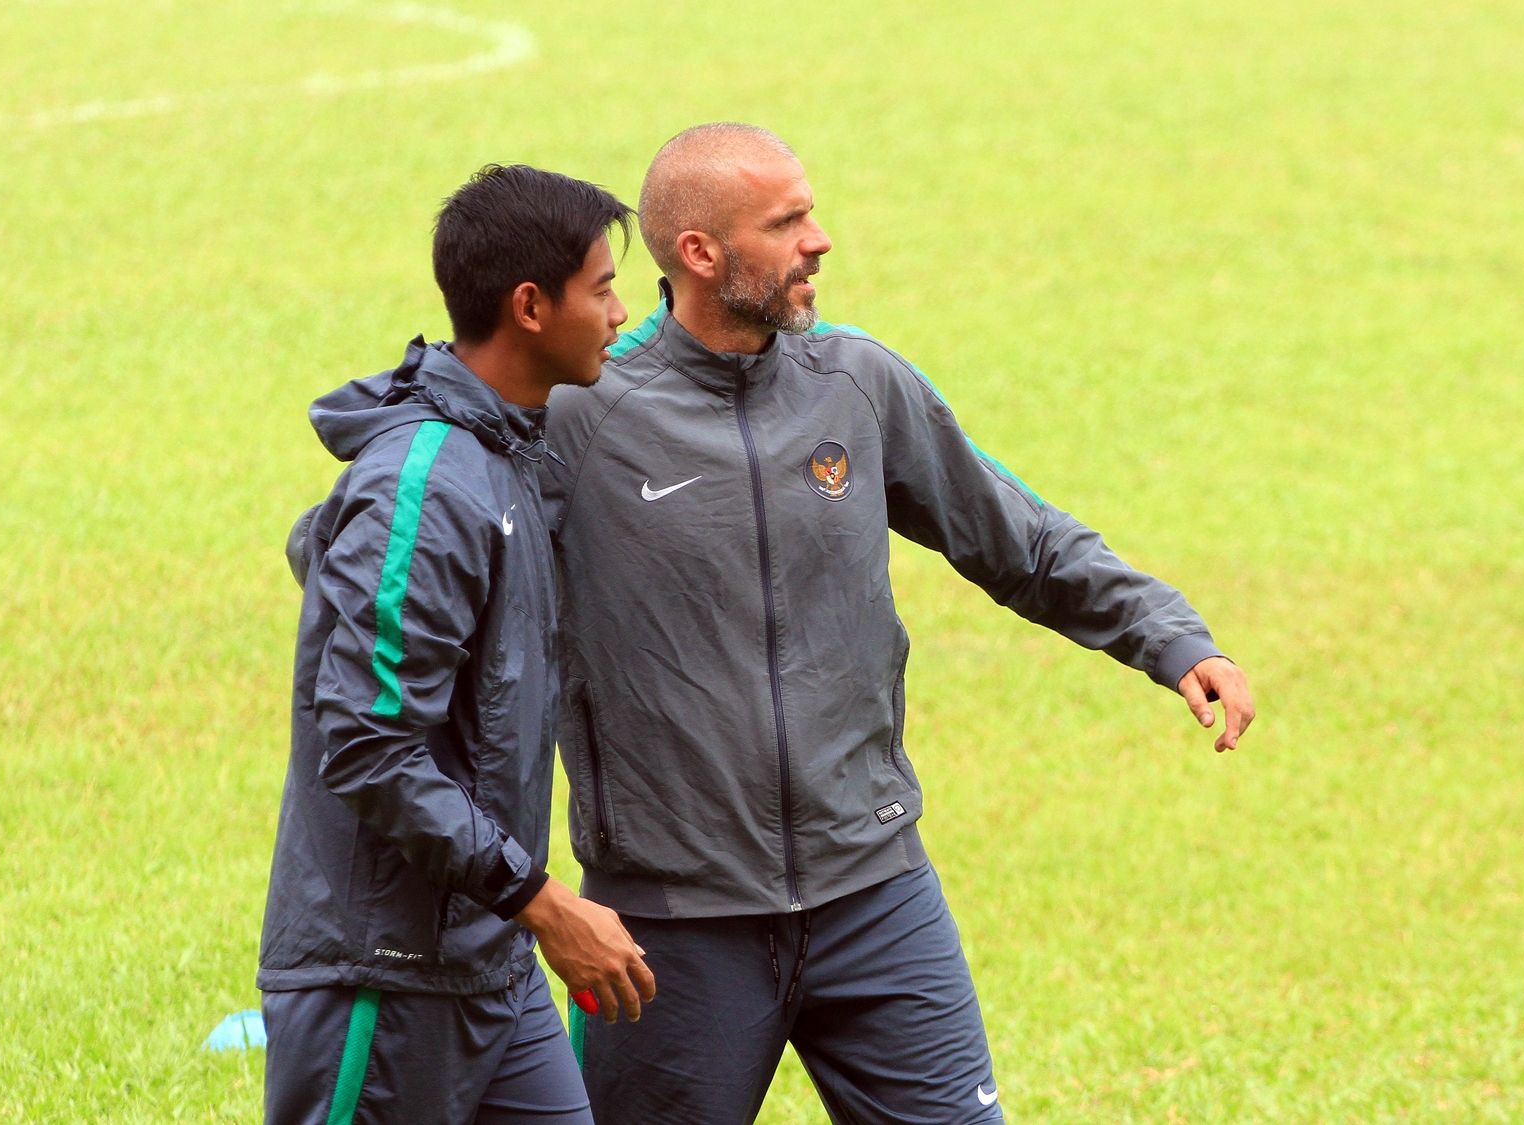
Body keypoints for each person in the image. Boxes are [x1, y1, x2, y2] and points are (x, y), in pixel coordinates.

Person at [538, 123, 1256, 1123]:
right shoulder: (582, 417)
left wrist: (1171, 638)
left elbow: (1018, 537)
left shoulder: (856, 384)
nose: (818, 240)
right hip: (669, 924)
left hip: (873, 895)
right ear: (700, 254)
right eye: (785, 222)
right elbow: (421, 541)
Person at [259, 164, 655, 1125]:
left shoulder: (508, 449)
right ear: (529, 305)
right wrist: (546, 903)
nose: (619, 314)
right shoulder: (431, 482)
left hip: (488, 962)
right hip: (382, 977)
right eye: (602, 288)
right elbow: (366, 744)